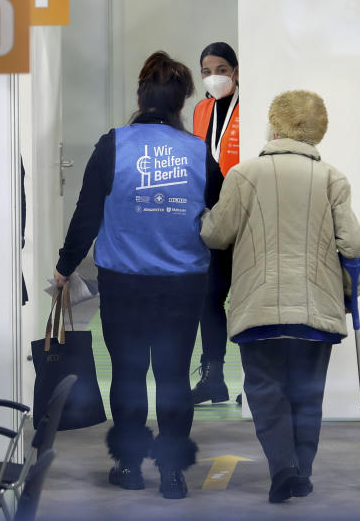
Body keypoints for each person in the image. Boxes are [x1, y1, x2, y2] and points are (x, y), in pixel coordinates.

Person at [53, 51, 223, 500]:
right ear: (182, 102)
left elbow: (86, 213)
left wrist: (65, 265)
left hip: (124, 281)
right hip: (183, 283)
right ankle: (172, 475)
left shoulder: (114, 144)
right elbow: (221, 217)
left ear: (139, 96)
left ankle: (128, 467)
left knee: (128, 373)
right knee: (172, 376)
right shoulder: (198, 152)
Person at [200, 90, 360, 503]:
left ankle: (283, 468)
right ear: (318, 131)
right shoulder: (332, 178)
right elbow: (353, 244)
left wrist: (202, 217)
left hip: (259, 307)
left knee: (264, 388)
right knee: (307, 393)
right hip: (316, 308)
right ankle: (301, 471)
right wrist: (351, 293)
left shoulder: (244, 175)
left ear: (274, 125)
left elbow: (217, 234)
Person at [190, 42, 241, 405]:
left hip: (245, 212)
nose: (214, 77)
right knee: (209, 297)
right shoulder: (201, 109)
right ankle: (213, 377)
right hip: (210, 215)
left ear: (236, 72)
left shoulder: (249, 108)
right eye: (207, 71)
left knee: (247, 298)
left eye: (221, 69)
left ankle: (253, 383)